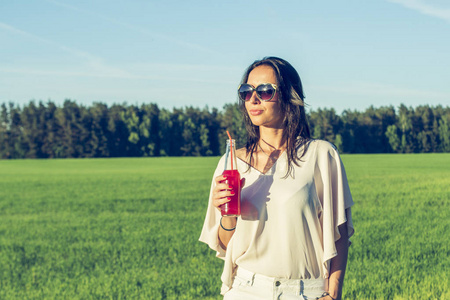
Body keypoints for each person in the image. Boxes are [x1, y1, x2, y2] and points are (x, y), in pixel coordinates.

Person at [199, 57, 354, 300]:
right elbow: (227, 244)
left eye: (265, 91)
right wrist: (228, 214)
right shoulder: (230, 164)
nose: (253, 99)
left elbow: (340, 232)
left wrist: (333, 293)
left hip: (305, 292)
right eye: (246, 91)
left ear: (289, 96)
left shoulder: (321, 155)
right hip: (245, 290)